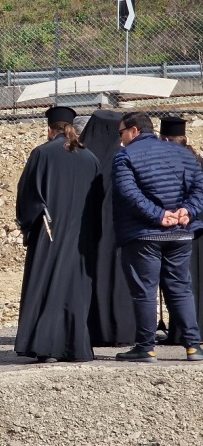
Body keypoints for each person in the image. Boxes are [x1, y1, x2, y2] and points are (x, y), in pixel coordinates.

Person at [112, 111, 203, 362]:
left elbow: (129, 193)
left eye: (121, 133)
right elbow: (200, 187)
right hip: (180, 234)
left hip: (143, 235)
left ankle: (145, 347)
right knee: (181, 289)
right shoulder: (183, 154)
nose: (120, 139)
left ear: (133, 131)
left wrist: (158, 216)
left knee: (144, 291)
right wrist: (188, 211)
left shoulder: (125, 156)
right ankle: (193, 346)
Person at [15, 106, 102, 363]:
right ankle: (75, 348)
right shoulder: (91, 158)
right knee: (74, 289)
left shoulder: (42, 153)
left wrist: (28, 223)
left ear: (49, 130)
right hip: (81, 237)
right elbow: (100, 200)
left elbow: (27, 194)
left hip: (48, 232)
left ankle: (46, 347)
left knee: (47, 284)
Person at [78, 110, 135, 347]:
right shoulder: (125, 157)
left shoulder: (82, 157)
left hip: (86, 231)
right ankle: (122, 331)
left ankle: (90, 330)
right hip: (120, 228)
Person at [159, 116, 203, 345]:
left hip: (179, 229)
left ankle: (181, 332)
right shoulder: (197, 160)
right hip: (196, 225)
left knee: (179, 284)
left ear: (164, 139)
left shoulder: (167, 163)